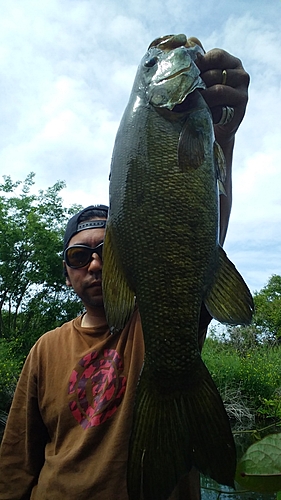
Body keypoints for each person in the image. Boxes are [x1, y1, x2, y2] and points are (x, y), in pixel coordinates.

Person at [0, 44, 249, 500]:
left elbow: (197, 240)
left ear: (123, 258)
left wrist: (224, 136)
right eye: (80, 256)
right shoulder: (43, 351)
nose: (94, 263)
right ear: (66, 270)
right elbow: (16, 464)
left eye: (104, 250)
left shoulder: (152, 325)